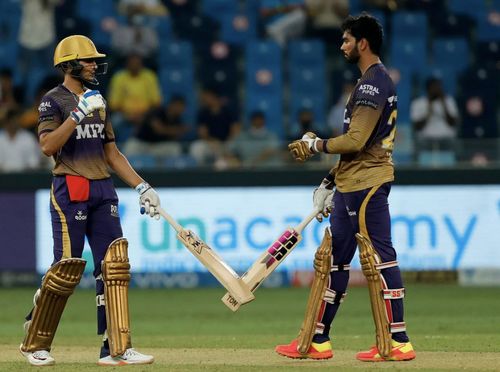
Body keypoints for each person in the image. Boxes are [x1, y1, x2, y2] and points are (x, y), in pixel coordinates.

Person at [276, 14, 416, 362]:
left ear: (362, 43)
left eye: (346, 40)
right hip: (350, 183)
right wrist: (329, 180)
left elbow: (356, 140)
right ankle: (318, 339)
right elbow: (357, 147)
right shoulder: (368, 82)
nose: (342, 46)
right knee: (333, 261)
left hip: (368, 184)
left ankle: (398, 340)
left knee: (381, 256)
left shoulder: (372, 84)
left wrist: (315, 146)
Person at [19, 35, 160, 367]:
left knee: (113, 267)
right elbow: (48, 147)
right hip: (70, 188)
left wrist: (142, 186)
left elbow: (111, 152)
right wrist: (77, 115)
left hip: (102, 189)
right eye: (89, 60)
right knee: (65, 270)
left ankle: (116, 348)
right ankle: (35, 344)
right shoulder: (52, 101)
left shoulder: (99, 99)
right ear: (69, 65)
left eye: (95, 60)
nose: (95, 65)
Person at [107, 53, 162, 143]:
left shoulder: (150, 76)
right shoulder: (119, 77)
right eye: (132, 64)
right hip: (124, 114)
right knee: (114, 121)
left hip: (146, 115)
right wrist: (129, 115)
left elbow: (156, 102)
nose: (135, 66)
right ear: (127, 65)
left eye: (137, 64)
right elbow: (113, 103)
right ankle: (115, 147)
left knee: (156, 122)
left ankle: (149, 146)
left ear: (141, 65)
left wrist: (143, 116)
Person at [123, 95, 190, 158]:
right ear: (172, 104)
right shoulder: (158, 111)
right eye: (179, 106)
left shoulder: (178, 120)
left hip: (158, 146)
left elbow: (175, 137)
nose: (181, 109)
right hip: (142, 143)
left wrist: (178, 132)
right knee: (130, 146)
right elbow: (158, 129)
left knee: (175, 148)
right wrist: (178, 130)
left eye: (182, 107)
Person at [189, 86, 240, 166]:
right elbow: (202, 133)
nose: (203, 99)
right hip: (210, 143)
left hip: (228, 142)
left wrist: (226, 143)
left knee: (233, 148)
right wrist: (212, 141)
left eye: (206, 96)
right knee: (197, 147)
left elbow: (236, 130)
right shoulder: (203, 113)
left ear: (214, 97)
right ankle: (198, 170)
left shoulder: (228, 111)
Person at [410, 77, 459, 157]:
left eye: (438, 87)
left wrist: (444, 104)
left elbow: (453, 123)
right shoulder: (418, 103)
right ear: (428, 89)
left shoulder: (449, 101)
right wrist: (429, 109)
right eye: (434, 87)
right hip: (426, 140)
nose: (436, 90)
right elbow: (417, 127)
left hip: (446, 139)